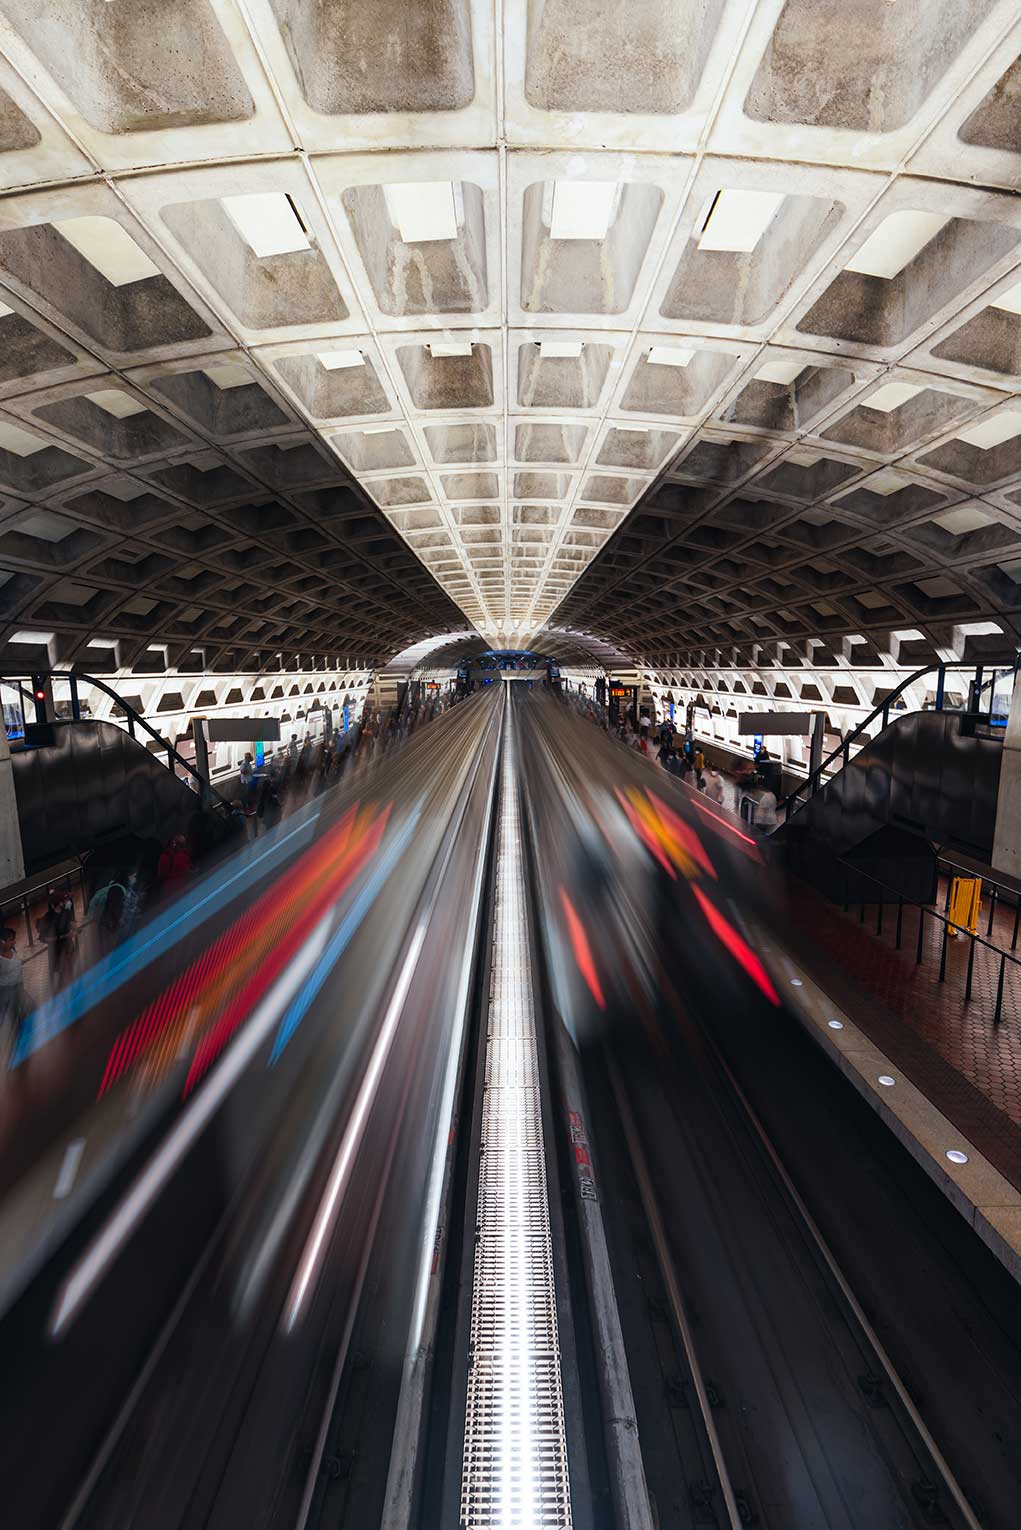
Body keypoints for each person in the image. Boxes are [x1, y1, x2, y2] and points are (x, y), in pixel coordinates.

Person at [37, 887, 76, 988]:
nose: (67, 902)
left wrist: (73, 930)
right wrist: (64, 936)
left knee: (70, 971)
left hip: (68, 948)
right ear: (59, 903)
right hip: (56, 951)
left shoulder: (67, 913)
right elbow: (44, 939)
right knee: (60, 975)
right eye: (64, 901)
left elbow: (72, 926)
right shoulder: (49, 917)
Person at [0, 926, 24, 1061]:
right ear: (2, 942)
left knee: (17, 1018)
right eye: (10, 940)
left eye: (13, 939)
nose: (14, 942)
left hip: (17, 988)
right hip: (6, 992)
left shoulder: (12, 950)